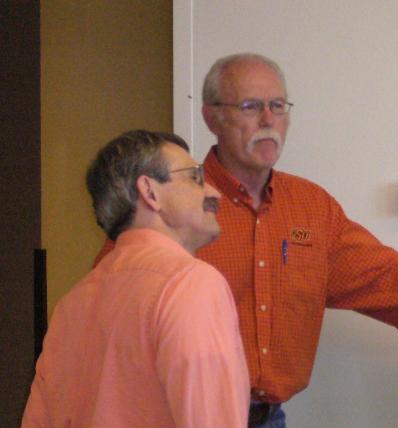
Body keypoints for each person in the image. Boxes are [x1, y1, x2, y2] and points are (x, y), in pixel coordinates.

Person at [95, 53, 398, 427]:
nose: (269, 119)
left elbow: (390, 279)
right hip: (176, 416)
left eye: (278, 106)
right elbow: (110, 307)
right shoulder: (174, 203)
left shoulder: (311, 208)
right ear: (212, 117)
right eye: (250, 106)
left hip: (270, 418)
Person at [23, 130, 250, 427]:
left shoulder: (71, 305)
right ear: (150, 192)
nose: (214, 193)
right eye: (195, 177)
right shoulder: (191, 285)